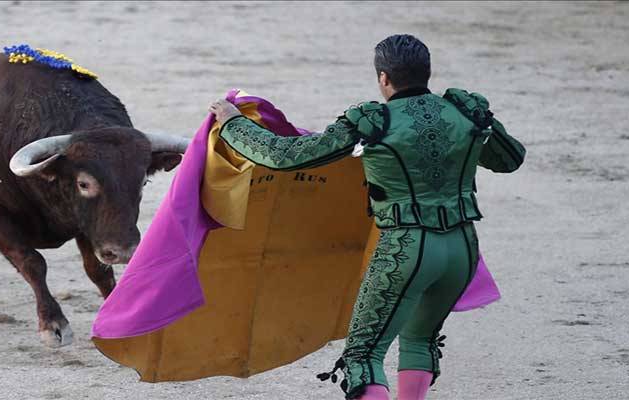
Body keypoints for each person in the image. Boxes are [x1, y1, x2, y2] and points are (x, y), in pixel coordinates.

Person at [208, 34, 525, 400]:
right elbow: (510, 160)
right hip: (462, 248)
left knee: (364, 354)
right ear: (427, 73)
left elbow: (283, 156)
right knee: (420, 340)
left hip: (404, 251)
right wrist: (477, 130)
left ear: (384, 78)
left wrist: (233, 124)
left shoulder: (373, 123)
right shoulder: (465, 113)